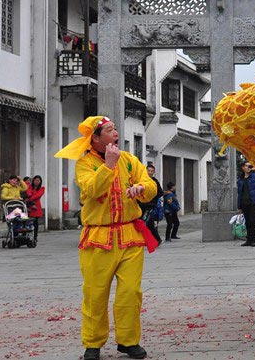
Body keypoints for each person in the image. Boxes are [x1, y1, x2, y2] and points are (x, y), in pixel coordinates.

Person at [55, 116, 158, 360]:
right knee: (95, 293)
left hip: (130, 235)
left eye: (115, 130)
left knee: (130, 292)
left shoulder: (129, 161)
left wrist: (142, 189)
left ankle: (128, 340)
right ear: (96, 139)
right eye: (110, 131)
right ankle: (93, 343)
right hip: (98, 237)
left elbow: (150, 183)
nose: (115, 134)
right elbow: (91, 189)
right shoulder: (84, 164)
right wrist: (109, 166)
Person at [237, 161, 255, 247]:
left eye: (249, 166)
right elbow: (239, 193)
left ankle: (253, 240)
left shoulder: (254, 176)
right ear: (243, 168)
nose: (248, 167)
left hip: (253, 201)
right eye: (246, 166)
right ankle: (248, 239)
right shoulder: (241, 179)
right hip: (244, 202)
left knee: (252, 220)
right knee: (247, 221)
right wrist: (239, 205)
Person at [140, 165, 163, 245]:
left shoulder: (155, 181)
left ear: (154, 172)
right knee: (148, 223)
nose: (150, 172)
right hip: (141, 205)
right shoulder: (141, 179)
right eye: (148, 170)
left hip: (150, 206)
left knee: (144, 222)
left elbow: (160, 192)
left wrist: (152, 197)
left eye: (151, 171)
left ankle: (152, 240)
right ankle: (155, 239)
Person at [25, 175, 44, 243]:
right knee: (26, 221)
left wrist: (29, 199)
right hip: (29, 207)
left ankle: (35, 236)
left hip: (36, 207)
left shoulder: (42, 188)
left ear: (40, 181)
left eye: (38, 180)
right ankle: (25, 235)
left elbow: (38, 196)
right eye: (35, 180)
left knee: (35, 222)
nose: (37, 182)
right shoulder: (30, 187)